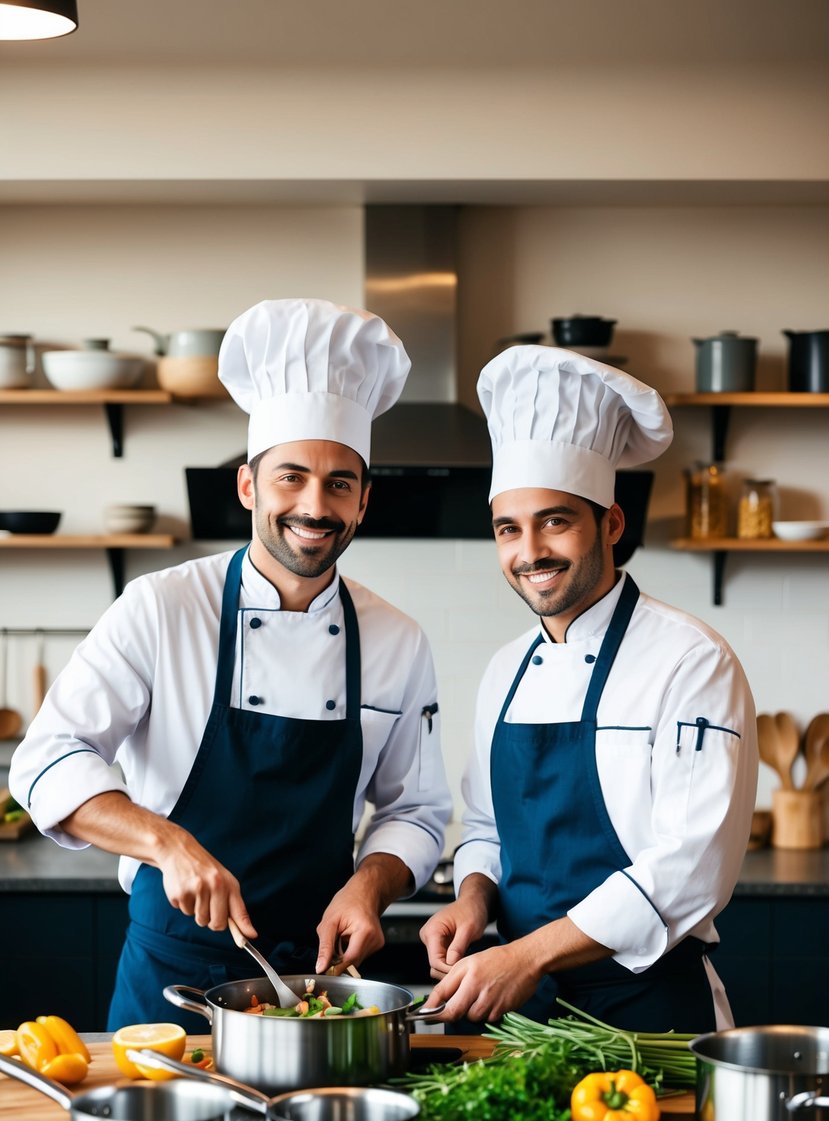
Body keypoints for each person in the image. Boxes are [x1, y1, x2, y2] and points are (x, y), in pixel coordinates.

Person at [10, 298, 452, 1031]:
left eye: (339, 482)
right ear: (248, 486)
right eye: (290, 477)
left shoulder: (396, 639)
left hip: (318, 983)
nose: (315, 505)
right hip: (171, 978)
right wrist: (168, 844)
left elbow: (415, 808)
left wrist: (369, 888)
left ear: (364, 501)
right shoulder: (160, 608)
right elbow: (46, 760)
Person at [420, 345, 758, 1033]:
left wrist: (528, 956)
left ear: (609, 524)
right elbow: (483, 828)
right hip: (522, 1016)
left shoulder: (690, 661)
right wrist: (473, 900)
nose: (529, 552)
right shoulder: (506, 668)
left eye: (554, 521)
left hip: (647, 1013)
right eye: (507, 529)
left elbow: (693, 867)